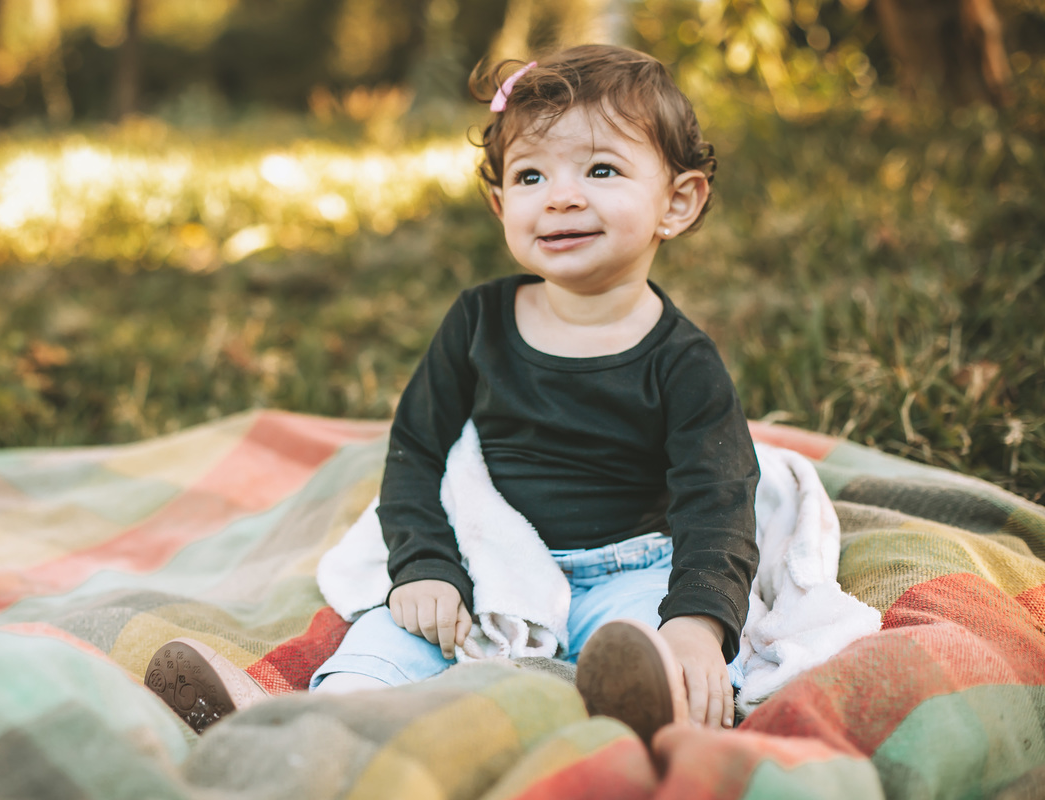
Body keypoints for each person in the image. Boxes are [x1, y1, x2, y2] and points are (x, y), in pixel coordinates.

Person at [147, 43, 759, 744]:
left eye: (600, 169)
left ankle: (642, 716)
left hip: (629, 565)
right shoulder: (478, 323)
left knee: (652, 648)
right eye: (531, 176)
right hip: (492, 557)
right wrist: (426, 568)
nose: (560, 196)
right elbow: (416, 451)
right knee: (397, 634)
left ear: (676, 202)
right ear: (501, 205)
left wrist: (696, 623)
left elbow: (721, 497)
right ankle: (292, 721)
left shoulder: (683, 362)